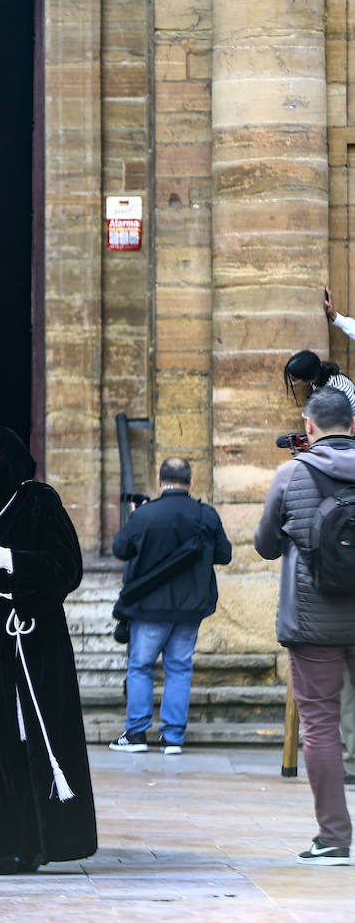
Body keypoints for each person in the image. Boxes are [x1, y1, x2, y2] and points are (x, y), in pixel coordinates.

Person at [0, 426, 97, 875]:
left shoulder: (38, 499)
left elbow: (67, 566)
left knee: (31, 736)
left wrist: (11, 560)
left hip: (29, 636)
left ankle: (39, 840)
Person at [254, 386, 355, 864]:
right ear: (353, 426)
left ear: (309, 427)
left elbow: (265, 545)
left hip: (313, 621)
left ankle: (334, 837)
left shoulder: (291, 473)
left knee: (319, 727)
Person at [108, 456, 233, 753]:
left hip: (149, 608)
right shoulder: (206, 515)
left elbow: (120, 549)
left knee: (141, 667)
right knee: (179, 668)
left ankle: (136, 735)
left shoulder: (145, 515)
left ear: (159, 481)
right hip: (190, 608)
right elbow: (224, 555)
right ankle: (173, 738)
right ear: (190, 482)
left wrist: (137, 518)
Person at [284, 349, 355, 417]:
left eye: (294, 380)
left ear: (308, 379)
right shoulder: (317, 380)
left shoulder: (340, 388)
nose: (293, 383)